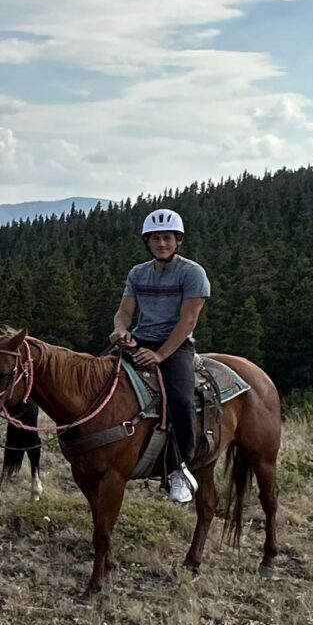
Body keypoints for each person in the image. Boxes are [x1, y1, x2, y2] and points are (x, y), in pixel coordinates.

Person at [112, 209, 210, 504]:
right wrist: (120, 330)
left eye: (167, 238)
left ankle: (181, 468)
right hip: (141, 340)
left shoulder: (192, 273)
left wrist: (160, 354)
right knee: (100, 379)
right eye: (156, 238)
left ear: (178, 240)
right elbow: (125, 311)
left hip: (175, 346)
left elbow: (188, 320)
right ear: (148, 242)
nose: (162, 243)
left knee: (180, 399)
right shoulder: (137, 273)